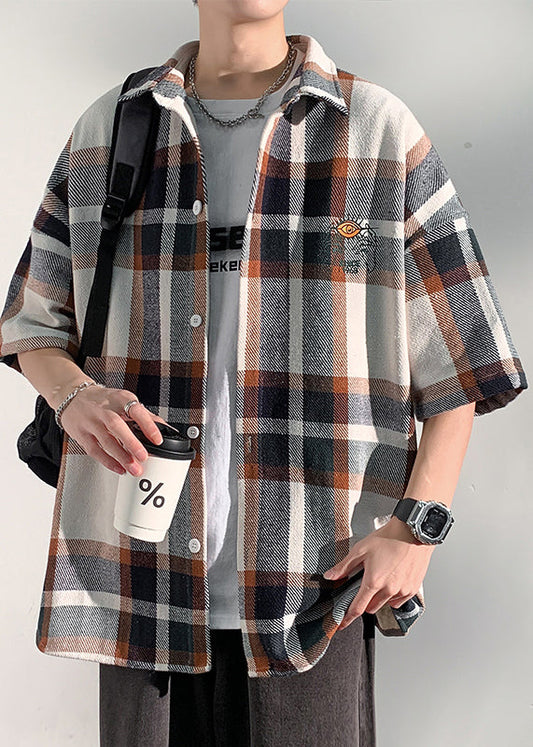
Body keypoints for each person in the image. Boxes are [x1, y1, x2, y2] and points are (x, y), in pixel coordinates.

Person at [0, 1, 528, 745]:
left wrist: (416, 531)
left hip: (314, 585)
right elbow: (32, 320)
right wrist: (73, 395)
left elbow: (463, 358)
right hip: (139, 579)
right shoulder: (113, 128)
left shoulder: (375, 130)